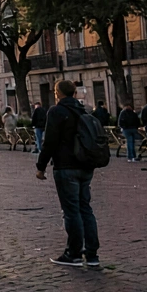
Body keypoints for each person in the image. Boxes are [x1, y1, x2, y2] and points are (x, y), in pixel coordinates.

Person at [36, 80, 101, 267]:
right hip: (86, 165)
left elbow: (49, 142)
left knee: (71, 211)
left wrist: (41, 166)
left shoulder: (56, 112)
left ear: (58, 93)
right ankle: (92, 254)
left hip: (66, 166)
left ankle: (73, 253)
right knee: (85, 208)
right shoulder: (83, 110)